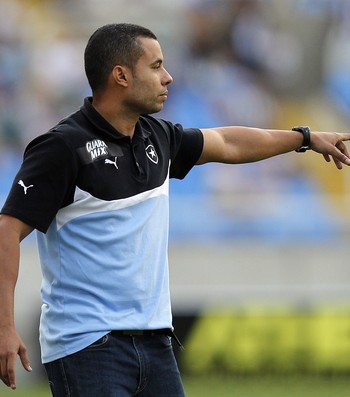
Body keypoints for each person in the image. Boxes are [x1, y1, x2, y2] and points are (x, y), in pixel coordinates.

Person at [0, 23, 350, 397]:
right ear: (121, 75)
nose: (167, 77)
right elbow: (8, 229)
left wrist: (306, 138)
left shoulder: (158, 136)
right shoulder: (62, 147)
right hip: (88, 346)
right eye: (155, 66)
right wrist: (4, 325)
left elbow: (227, 142)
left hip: (156, 344)